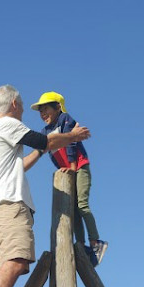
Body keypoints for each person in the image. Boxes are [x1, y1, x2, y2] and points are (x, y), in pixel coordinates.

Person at [0, 84, 91, 287]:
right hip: (9, 205)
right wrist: (73, 136)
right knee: (15, 262)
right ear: (15, 104)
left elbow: (23, 164)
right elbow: (43, 140)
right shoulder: (6, 124)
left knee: (12, 263)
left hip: (0, 206)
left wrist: (41, 150)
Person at [31, 91, 107, 266]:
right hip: (68, 171)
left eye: (46, 109)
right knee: (73, 211)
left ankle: (95, 242)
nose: (43, 114)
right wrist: (61, 168)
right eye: (40, 111)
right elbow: (51, 153)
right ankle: (81, 246)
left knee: (82, 204)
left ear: (57, 107)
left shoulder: (65, 119)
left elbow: (72, 143)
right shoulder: (46, 132)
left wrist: (72, 167)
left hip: (79, 167)